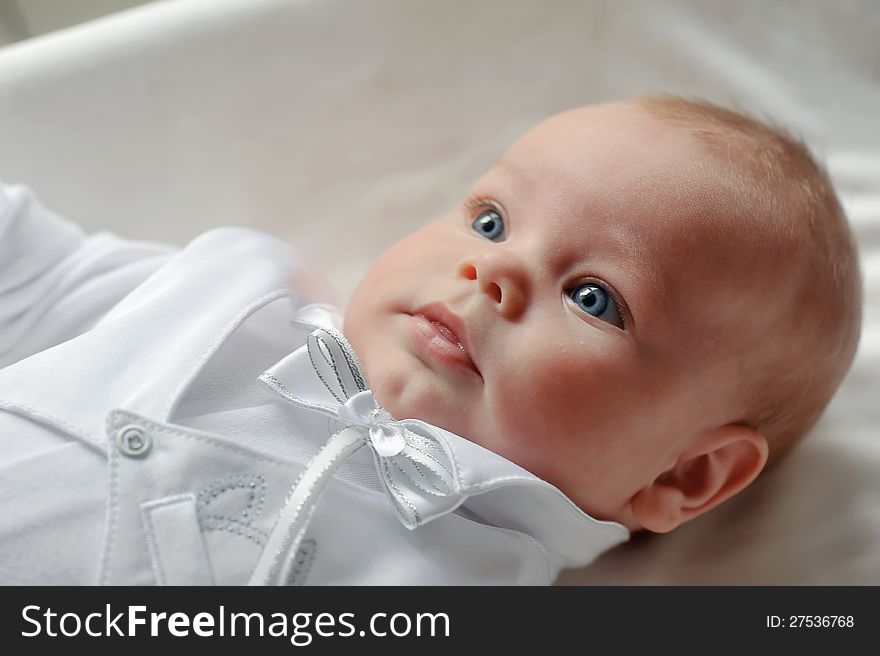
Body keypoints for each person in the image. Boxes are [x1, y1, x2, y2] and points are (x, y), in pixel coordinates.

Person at [0, 95, 861, 585]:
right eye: (491, 220)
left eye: (594, 296)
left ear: (683, 473)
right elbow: (26, 264)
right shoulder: (238, 297)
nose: (494, 273)